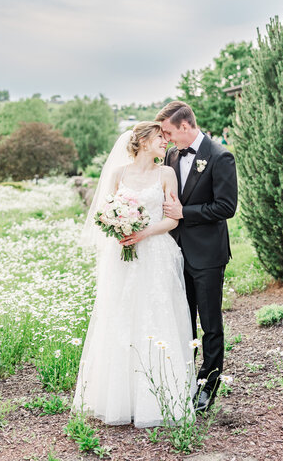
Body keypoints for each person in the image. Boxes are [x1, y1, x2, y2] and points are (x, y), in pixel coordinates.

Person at [72, 122, 195, 428]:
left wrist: (142, 233)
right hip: (123, 257)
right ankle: (118, 398)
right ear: (141, 142)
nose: (164, 142)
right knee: (121, 317)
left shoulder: (166, 174)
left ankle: (159, 398)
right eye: (159, 138)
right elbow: (105, 214)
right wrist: (118, 229)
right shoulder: (118, 174)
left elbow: (172, 220)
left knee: (156, 317)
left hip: (156, 253)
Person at [155, 102, 237, 412]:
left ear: (186, 127)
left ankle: (208, 386)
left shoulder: (220, 157)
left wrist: (183, 213)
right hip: (176, 253)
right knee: (182, 320)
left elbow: (226, 207)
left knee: (211, 324)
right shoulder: (171, 155)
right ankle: (186, 380)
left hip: (207, 255)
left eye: (169, 132)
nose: (166, 138)